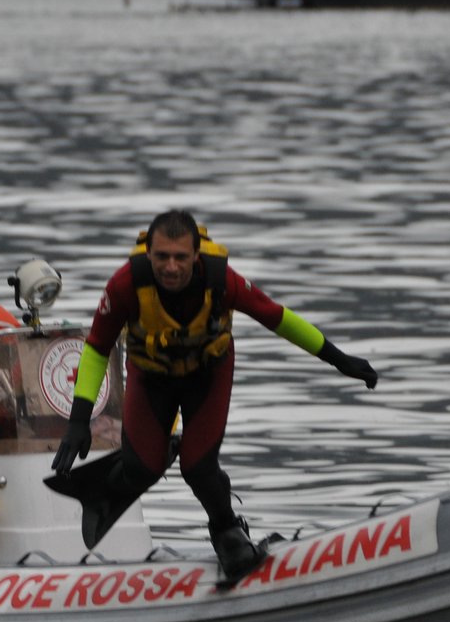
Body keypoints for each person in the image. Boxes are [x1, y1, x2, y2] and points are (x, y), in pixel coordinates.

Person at [50, 210, 378, 585]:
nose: (170, 267)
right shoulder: (126, 284)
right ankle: (126, 474)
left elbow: (277, 317)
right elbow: (96, 348)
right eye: (161, 257)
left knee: (198, 468)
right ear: (148, 254)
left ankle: (226, 530)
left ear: (196, 255)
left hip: (207, 375)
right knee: (143, 469)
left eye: (180, 257)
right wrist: (79, 422)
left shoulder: (222, 280)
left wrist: (339, 360)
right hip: (151, 377)